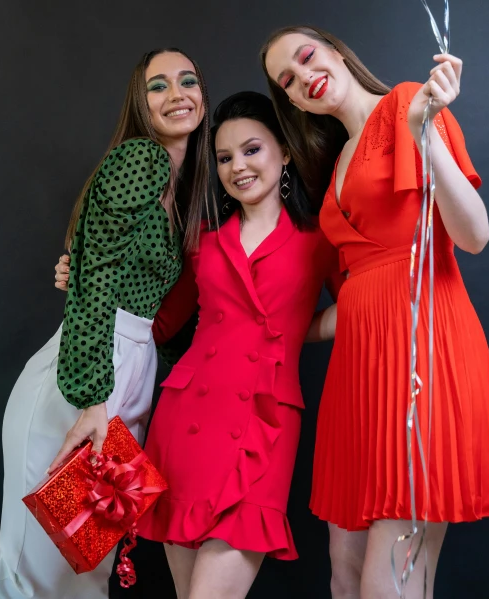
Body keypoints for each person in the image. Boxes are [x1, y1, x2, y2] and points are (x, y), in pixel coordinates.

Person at [262, 25, 489, 599]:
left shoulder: (409, 104)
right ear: (289, 100)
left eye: (305, 55)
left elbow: (474, 235)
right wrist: (271, 330)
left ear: (337, 51)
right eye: (285, 79)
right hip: (360, 376)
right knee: (343, 569)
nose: (301, 76)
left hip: (423, 357)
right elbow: (355, 298)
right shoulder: (335, 161)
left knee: (389, 582)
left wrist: (424, 133)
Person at [0, 48, 211, 599]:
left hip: (130, 376)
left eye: (188, 81)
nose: (176, 94)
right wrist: (93, 396)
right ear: (140, 103)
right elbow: (97, 273)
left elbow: (107, 271)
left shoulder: (186, 189)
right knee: (27, 578)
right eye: (158, 86)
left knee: (82, 572)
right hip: (84, 377)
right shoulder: (139, 161)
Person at [136, 91, 341, 599]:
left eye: (252, 150)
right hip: (185, 422)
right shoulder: (202, 240)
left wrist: (293, 329)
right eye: (225, 158)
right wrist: (84, 280)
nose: (238, 167)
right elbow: (156, 323)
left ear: (285, 151)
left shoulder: (320, 236)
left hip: (264, 423)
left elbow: (359, 304)